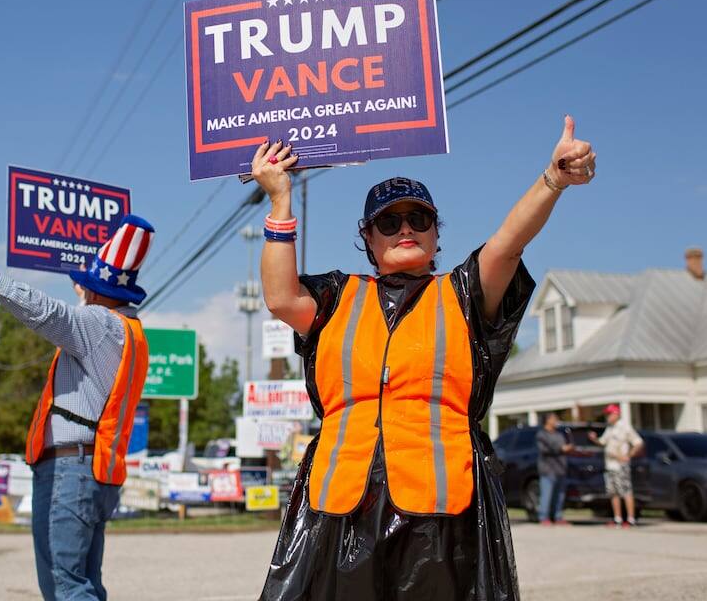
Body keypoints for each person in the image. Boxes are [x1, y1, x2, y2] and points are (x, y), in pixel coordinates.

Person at [252, 116, 596, 600]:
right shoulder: (336, 297)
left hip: (441, 512)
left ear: (436, 234)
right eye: (389, 222)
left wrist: (553, 180)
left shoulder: (463, 295)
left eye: (419, 219)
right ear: (368, 239)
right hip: (339, 504)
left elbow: (509, 243)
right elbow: (280, 298)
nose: (405, 229)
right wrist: (280, 201)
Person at [0, 215, 155, 601]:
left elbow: (45, 311)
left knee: (65, 587)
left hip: (70, 470)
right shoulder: (127, 330)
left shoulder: (98, 322)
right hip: (91, 469)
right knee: (83, 583)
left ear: (97, 290)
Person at [589, 403, 643, 528]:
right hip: (610, 465)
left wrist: (629, 455)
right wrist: (594, 439)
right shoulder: (610, 428)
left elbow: (638, 442)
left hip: (621, 465)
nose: (607, 416)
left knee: (626, 491)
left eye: (609, 414)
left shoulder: (625, 427)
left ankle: (630, 519)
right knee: (613, 492)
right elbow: (603, 442)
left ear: (616, 414)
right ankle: (617, 519)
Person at [536, 412, 574, 526]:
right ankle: (544, 517)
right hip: (548, 469)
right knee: (546, 495)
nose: (556, 421)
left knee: (560, 496)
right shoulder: (541, 435)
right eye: (554, 419)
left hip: (561, 469)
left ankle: (558, 517)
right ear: (547, 420)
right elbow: (545, 449)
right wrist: (561, 448)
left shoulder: (559, 434)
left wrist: (569, 448)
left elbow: (564, 448)